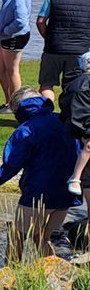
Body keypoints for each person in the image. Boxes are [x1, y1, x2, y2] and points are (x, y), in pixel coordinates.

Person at [0, 91, 79, 262]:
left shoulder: (26, 130)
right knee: (42, 237)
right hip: (68, 192)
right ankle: (51, 276)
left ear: (18, 109)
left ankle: (10, 275)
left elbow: (10, 167)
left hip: (38, 193)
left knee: (16, 234)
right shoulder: (63, 120)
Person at [36, 0, 90, 94]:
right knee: (76, 86)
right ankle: (71, 112)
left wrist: (49, 37)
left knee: (46, 84)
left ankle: (46, 112)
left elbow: (40, 21)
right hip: (80, 51)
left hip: (54, 48)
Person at [0, 0, 33, 111]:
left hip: (15, 36)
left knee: (12, 71)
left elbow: (21, 21)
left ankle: (16, 105)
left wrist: (7, 30)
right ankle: (8, 101)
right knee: (0, 68)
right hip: (8, 36)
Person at [64, 52, 90, 207]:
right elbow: (78, 113)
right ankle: (75, 177)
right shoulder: (82, 85)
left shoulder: (77, 83)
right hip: (83, 128)